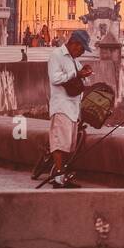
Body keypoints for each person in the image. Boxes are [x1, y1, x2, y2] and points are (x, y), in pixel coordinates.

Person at [46, 29, 93, 189]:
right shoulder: (57, 55)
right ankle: (59, 177)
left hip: (73, 107)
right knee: (60, 143)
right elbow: (55, 78)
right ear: (74, 44)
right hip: (61, 106)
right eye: (81, 49)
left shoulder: (73, 60)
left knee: (69, 145)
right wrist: (76, 74)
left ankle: (62, 175)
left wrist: (84, 72)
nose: (81, 52)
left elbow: (79, 76)